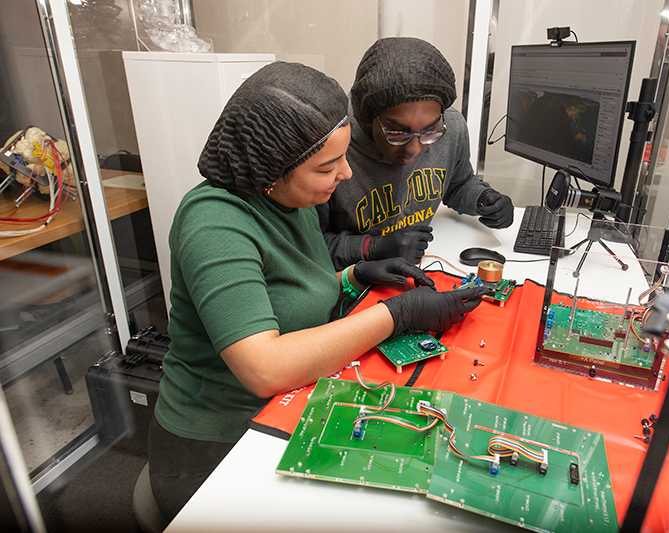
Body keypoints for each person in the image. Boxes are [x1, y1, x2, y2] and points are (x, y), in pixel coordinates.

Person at [147, 61, 489, 521]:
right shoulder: (214, 221)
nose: (346, 175)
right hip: (217, 443)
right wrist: (398, 314)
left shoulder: (293, 198)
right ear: (272, 168)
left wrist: (356, 277)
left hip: (286, 406)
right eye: (328, 166)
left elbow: (289, 297)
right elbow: (264, 367)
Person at [317, 37, 515, 269]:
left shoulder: (451, 126)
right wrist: (372, 247)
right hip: (350, 280)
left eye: (429, 131)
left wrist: (483, 199)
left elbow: (457, 183)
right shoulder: (331, 146)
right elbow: (304, 248)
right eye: (398, 132)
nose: (413, 149)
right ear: (367, 117)